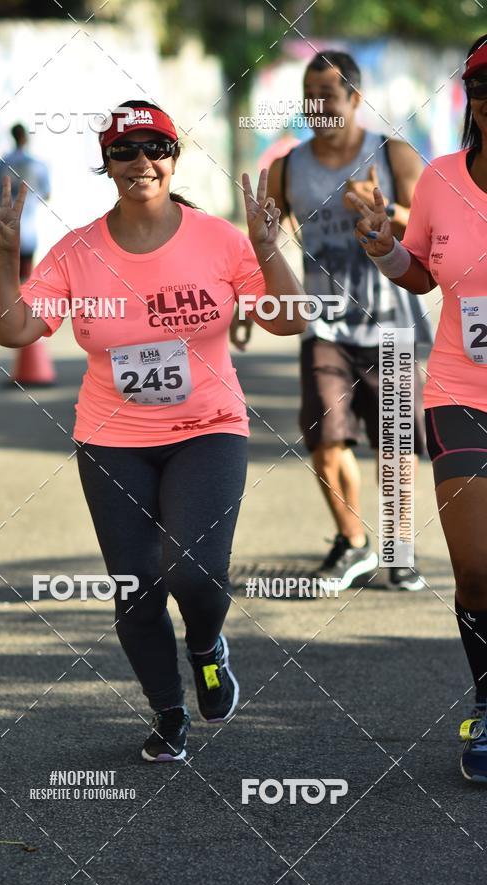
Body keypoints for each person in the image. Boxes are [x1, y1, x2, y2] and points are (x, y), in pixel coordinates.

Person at [0, 100, 307, 762]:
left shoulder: (218, 238)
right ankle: (168, 713)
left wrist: (268, 249)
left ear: (173, 157)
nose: (141, 161)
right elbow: (15, 330)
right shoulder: (79, 251)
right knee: (136, 588)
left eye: (155, 147)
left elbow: (287, 318)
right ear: (106, 163)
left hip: (208, 429)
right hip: (111, 440)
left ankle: (207, 646)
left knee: (193, 570)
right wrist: (2, 257)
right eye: (125, 150)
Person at [234, 50, 433, 591]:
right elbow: (265, 242)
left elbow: (428, 229)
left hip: (391, 320)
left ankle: (399, 548)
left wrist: (385, 210)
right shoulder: (287, 168)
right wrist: (250, 301)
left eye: (329, 94)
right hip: (323, 323)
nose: (318, 105)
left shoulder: (393, 155)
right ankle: (354, 543)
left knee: (395, 442)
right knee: (325, 434)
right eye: (310, 95)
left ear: (356, 100)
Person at [346, 35, 487, 781]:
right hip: (463, 394)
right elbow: (423, 275)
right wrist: (381, 247)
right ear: (474, 100)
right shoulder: (440, 179)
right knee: (474, 567)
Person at [0, 123, 51, 283]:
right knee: (25, 280)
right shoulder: (38, 165)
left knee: (6, 278)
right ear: (25, 138)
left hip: (4, 228)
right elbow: (47, 194)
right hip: (28, 230)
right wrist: (31, 198)